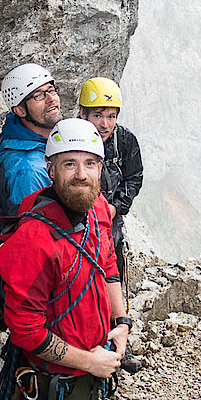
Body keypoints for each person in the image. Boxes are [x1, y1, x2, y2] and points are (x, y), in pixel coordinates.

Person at [0, 118, 129, 400]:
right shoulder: (33, 239)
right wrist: (89, 361)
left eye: (90, 163)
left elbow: (108, 266)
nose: (81, 174)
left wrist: (121, 321)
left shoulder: (99, 210)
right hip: (60, 373)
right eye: (68, 164)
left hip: (91, 358)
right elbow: (27, 332)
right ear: (50, 169)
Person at [77, 77, 143, 282]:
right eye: (98, 115)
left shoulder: (124, 140)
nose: (105, 124)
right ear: (82, 113)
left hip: (110, 218)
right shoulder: (69, 139)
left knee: (112, 268)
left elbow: (134, 177)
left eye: (111, 116)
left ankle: (114, 312)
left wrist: (116, 207)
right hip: (76, 220)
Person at [0, 62, 62, 212]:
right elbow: (37, 229)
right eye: (38, 96)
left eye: (51, 90)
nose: (51, 99)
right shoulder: (29, 171)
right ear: (20, 110)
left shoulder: (50, 141)